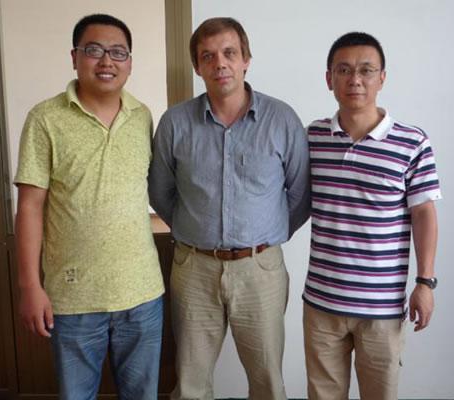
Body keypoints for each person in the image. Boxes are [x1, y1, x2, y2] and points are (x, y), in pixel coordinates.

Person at [149, 17, 310, 400]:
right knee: (190, 383)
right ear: (197, 66)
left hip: (261, 270)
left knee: (267, 382)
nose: (219, 63)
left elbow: (301, 194)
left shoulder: (281, 120)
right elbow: (160, 192)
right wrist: (194, 229)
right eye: (208, 56)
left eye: (229, 53)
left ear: (245, 60)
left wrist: (265, 235)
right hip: (194, 268)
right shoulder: (175, 123)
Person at [14, 13, 164, 400]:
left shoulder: (142, 116)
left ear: (130, 62)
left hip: (142, 294)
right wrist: (30, 285)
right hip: (73, 298)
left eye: (118, 52)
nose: (107, 61)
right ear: (74, 57)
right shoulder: (45, 118)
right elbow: (30, 206)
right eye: (94, 50)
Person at [302, 32, 442, 400]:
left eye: (366, 70)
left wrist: (425, 283)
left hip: (381, 307)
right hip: (322, 303)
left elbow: (424, 213)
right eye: (344, 70)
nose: (355, 80)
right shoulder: (311, 137)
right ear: (329, 78)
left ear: (382, 78)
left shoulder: (412, 142)